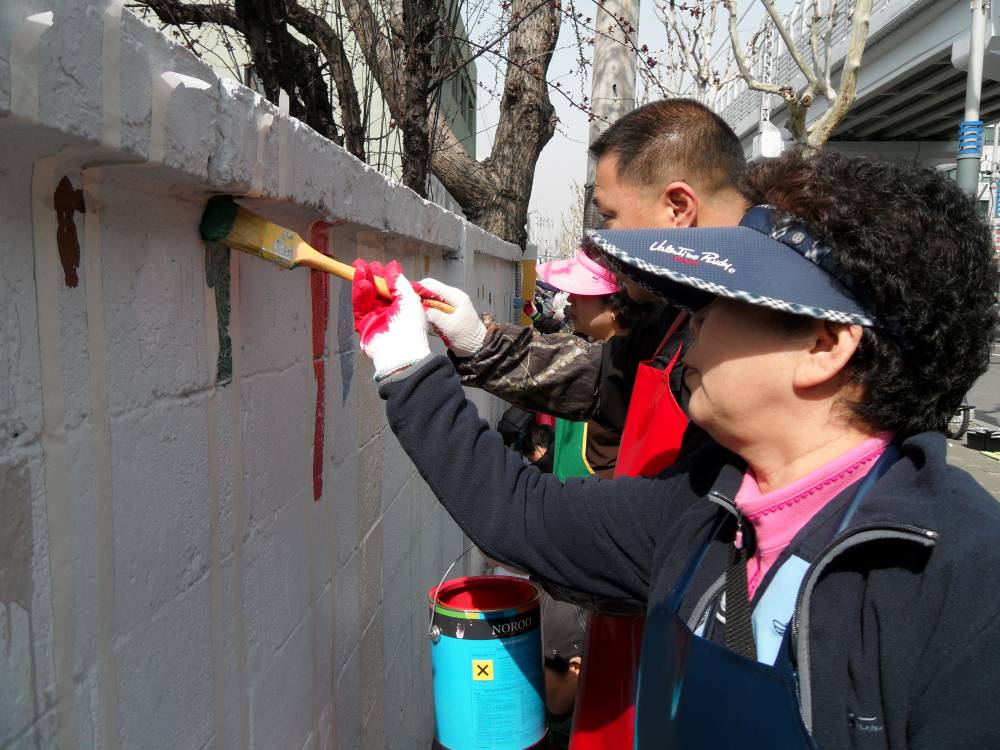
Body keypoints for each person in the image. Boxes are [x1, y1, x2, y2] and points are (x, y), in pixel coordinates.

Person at [350, 151, 1000, 748]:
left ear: (826, 346)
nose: (689, 328)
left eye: (716, 304)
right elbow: (520, 514)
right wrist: (408, 366)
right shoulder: (702, 509)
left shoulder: (960, 582)